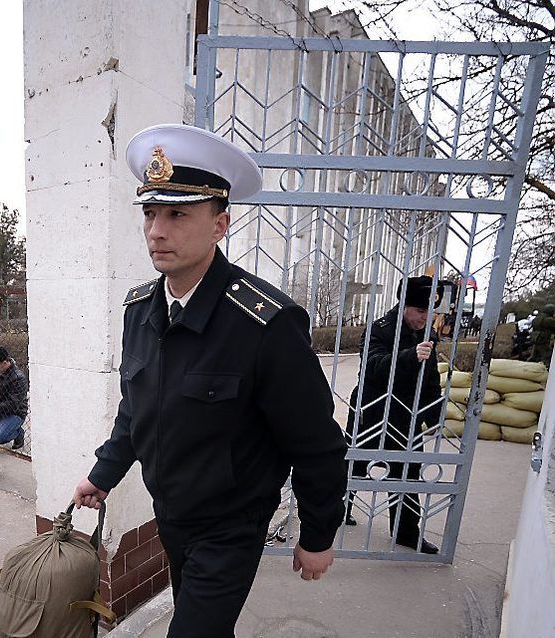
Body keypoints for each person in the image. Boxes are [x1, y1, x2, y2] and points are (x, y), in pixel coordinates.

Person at [71, 124, 348, 637]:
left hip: (231, 525)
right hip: (171, 515)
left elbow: (317, 443)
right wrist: (102, 474)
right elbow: (136, 410)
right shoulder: (141, 309)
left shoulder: (264, 323)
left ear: (219, 225)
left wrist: (317, 533)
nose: (157, 230)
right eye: (151, 213)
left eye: (178, 214)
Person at [344, 276, 442, 554]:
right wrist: (411, 356)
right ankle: (337, 512)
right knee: (354, 466)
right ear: (404, 307)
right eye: (421, 311)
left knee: (407, 473)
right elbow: (375, 366)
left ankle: (406, 533)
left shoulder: (428, 335)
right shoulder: (380, 330)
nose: (426, 318)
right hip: (373, 411)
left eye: (430, 312)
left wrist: (433, 416)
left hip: (406, 416)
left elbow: (430, 379)